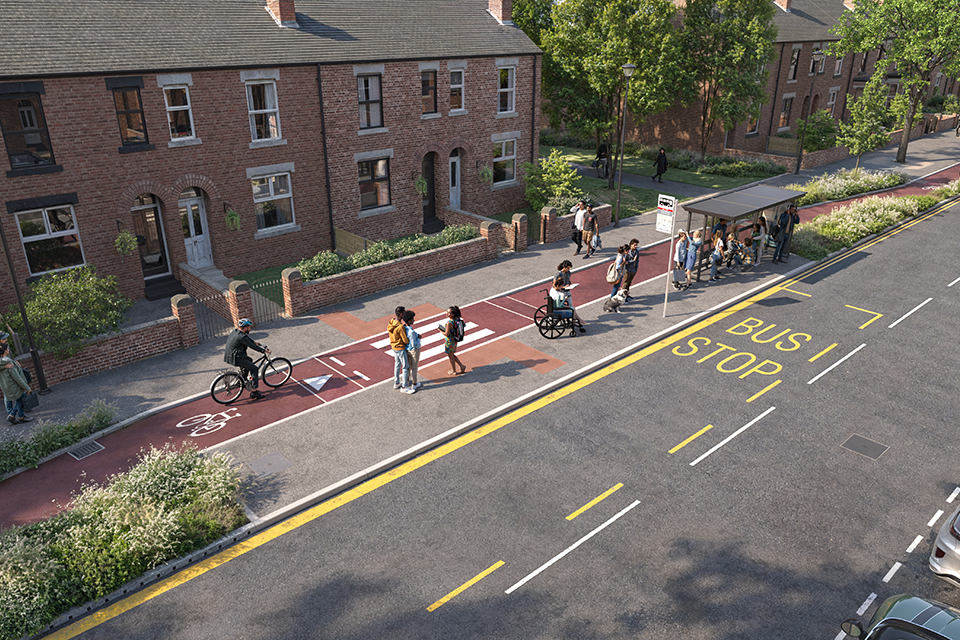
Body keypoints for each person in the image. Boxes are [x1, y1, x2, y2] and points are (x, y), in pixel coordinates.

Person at [224, 318, 270, 400]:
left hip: (230, 356)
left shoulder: (235, 331)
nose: (250, 328)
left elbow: (246, 339)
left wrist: (254, 342)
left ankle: (242, 380)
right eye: (249, 327)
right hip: (237, 358)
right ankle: (254, 392)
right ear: (245, 327)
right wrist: (264, 351)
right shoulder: (242, 337)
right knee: (255, 369)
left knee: (249, 361)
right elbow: (251, 346)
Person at [0, 344, 31, 424]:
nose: (8, 349)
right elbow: (16, 377)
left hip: (6, 386)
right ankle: (12, 415)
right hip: (13, 386)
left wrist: (17, 366)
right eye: (7, 348)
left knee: (20, 398)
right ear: (6, 350)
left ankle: (20, 416)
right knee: (22, 396)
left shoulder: (2, 363)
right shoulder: (9, 362)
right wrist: (27, 388)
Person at [387, 306, 411, 391]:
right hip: (400, 348)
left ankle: (396, 383)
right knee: (406, 367)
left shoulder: (391, 322)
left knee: (397, 365)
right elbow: (405, 340)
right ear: (401, 314)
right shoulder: (400, 327)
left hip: (394, 347)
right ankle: (404, 386)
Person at [439, 306, 467, 375]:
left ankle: (454, 370)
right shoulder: (456, 320)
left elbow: (446, 333)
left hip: (449, 341)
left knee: (450, 356)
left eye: (448, 312)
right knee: (452, 354)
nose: (447, 313)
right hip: (454, 340)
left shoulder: (449, 323)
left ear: (453, 314)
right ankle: (461, 366)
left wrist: (440, 330)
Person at [402, 310, 421, 393]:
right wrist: (419, 339)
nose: (414, 320)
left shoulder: (403, 328)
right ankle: (415, 383)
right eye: (413, 319)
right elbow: (414, 344)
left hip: (406, 349)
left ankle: (406, 381)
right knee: (414, 367)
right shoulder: (411, 332)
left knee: (408, 367)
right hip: (413, 351)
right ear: (409, 321)